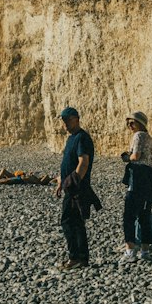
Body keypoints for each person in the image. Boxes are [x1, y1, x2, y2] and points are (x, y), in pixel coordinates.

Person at [56, 106, 99, 270]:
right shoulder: (71, 138)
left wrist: (74, 181)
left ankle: (76, 257)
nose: (65, 124)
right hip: (70, 186)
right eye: (63, 121)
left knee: (69, 221)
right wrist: (61, 181)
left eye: (67, 120)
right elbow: (67, 163)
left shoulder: (82, 138)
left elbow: (83, 161)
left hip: (76, 188)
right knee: (75, 222)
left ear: (76, 119)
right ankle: (80, 258)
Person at [120, 111, 152, 264]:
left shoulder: (138, 136)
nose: (130, 126)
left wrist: (126, 157)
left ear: (141, 123)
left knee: (129, 215)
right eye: (128, 123)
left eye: (132, 123)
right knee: (144, 216)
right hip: (149, 180)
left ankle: (130, 251)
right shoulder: (150, 138)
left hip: (138, 178)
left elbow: (136, 157)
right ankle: (145, 251)